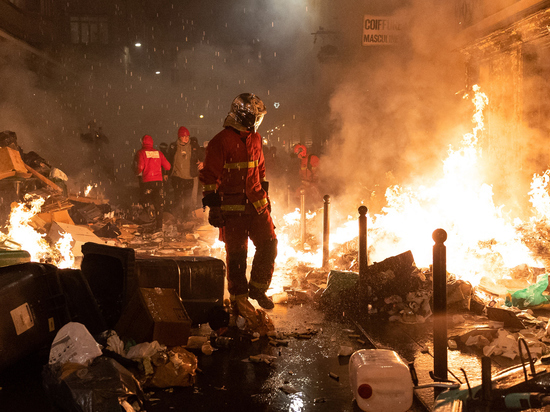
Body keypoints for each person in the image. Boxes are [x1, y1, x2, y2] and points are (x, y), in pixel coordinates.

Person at [199, 93, 278, 314]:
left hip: (256, 205)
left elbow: (260, 171)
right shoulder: (220, 141)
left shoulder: (256, 138)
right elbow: (209, 177)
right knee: (237, 257)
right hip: (232, 209)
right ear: (244, 116)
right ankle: (239, 301)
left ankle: (258, 289)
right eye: (255, 116)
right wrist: (214, 208)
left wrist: (266, 199)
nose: (257, 121)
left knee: (269, 245)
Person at [135, 134, 171, 232]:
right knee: (158, 204)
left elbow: (140, 167)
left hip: (147, 182)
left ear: (142, 142)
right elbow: (168, 166)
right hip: (158, 182)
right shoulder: (158, 153)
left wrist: (137, 173)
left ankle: (148, 222)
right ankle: (159, 226)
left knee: (145, 201)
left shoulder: (141, 153)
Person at [168, 126, 200, 223]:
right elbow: (169, 159)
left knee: (187, 198)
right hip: (177, 177)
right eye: (184, 136)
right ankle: (177, 217)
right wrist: (167, 173)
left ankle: (186, 217)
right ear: (179, 137)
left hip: (189, 177)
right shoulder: (174, 147)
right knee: (178, 198)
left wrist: (202, 161)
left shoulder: (193, 146)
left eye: (188, 136)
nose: (186, 138)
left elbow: (201, 154)